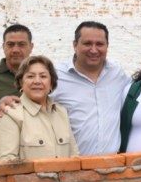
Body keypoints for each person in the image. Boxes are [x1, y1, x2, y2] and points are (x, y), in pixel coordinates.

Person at [52, 21, 131, 156]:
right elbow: (31, 103)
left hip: (113, 167)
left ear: (107, 46)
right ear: (75, 45)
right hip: (72, 167)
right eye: (87, 43)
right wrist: (8, 99)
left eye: (99, 44)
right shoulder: (56, 76)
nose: (94, 50)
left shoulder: (118, 74)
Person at [0, 56, 79, 162]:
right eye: (30, 76)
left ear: (51, 83)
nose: (37, 81)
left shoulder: (61, 112)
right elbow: (5, 163)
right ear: (21, 82)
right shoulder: (10, 114)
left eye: (43, 76)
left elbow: (74, 156)